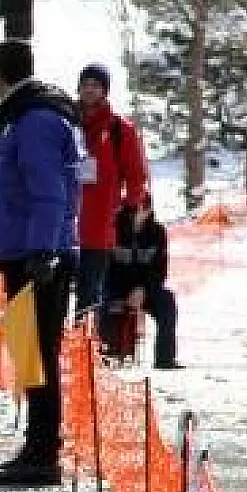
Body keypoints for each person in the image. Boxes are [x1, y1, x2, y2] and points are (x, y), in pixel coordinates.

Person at [0, 40, 80, 487]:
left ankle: (44, 453)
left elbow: (50, 190)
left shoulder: (35, 120)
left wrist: (45, 250)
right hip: (24, 251)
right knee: (30, 351)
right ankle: (37, 446)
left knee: (38, 351)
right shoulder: (24, 116)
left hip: (35, 256)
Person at [74, 62, 149, 317]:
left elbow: (136, 175)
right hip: (63, 226)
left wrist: (129, 210)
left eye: (96, 85)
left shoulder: (120, 129)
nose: (90, 90)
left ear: (105, 90)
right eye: (85, 84)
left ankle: (84, 352)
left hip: (99, 224)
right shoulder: (67, 124)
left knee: (89, 294)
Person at [108, 194, 180, 370]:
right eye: (133, 209)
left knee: (167, 303)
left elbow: (160, 270)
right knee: (103, 304)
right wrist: (121, 291)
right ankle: (108, 353)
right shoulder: (113, 230)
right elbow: (107, 268)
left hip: (146, 288)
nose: (138, 213)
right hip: (116, 286)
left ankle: (164, 359)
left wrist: (143, 289)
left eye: (143, 208)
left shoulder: (157, 232)